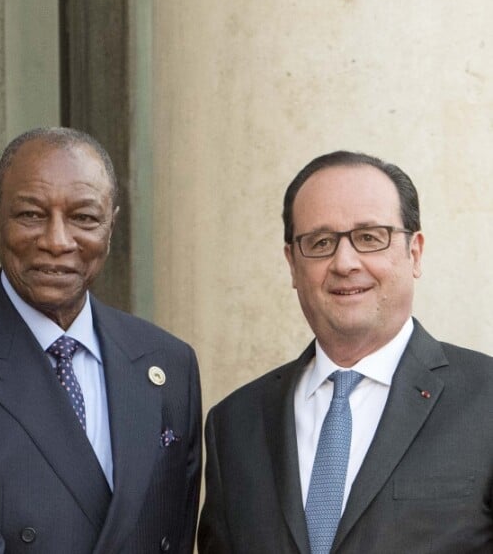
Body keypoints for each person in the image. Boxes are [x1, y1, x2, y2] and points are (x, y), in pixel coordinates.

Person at [0, 127, 201, 554]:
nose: (57, 241)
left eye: (84, 217)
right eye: (31, 215)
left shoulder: (169, 363)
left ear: (110, 226)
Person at [198, 150, 493, 553]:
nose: (345, 262)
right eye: (320, 243)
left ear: (415, 253)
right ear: (292, 264)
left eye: (370, 237)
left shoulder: (485, 399)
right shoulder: (234, 425)